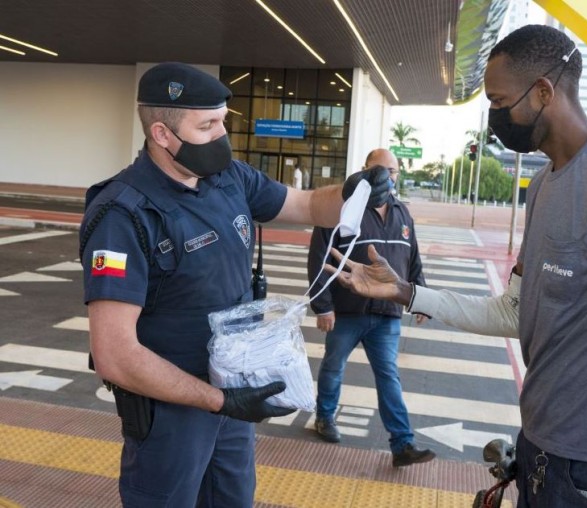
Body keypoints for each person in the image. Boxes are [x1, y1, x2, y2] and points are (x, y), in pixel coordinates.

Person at [324, 25, 587, 508]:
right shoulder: (545, 185)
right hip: (539, 449)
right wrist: (406, 292)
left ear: (544, 92)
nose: (494, 117)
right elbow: (513, 311)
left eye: (499, 101)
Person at [78, 62, 391, 507]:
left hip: (233, 398)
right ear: (163, 135)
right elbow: (115, 355)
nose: (222, 135)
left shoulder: (229, 179)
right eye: (207, 126)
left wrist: (354, 192)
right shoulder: (123, 215)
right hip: (172, 415)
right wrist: (217, 400)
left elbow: (305, 205)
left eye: (223, 121)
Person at [307, 148, 435, 468]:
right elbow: (320, 258)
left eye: (393, 171)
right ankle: (324, 417)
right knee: (333, 366)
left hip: (387, 314)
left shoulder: (402, 213)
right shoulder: (343, 210)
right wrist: (322, 307)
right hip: (347, 309)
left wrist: (422, 299)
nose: (388, 177)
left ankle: (402, 443)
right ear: (365, 171)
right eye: (381, 171)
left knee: (388, 376)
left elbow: (413, 259)